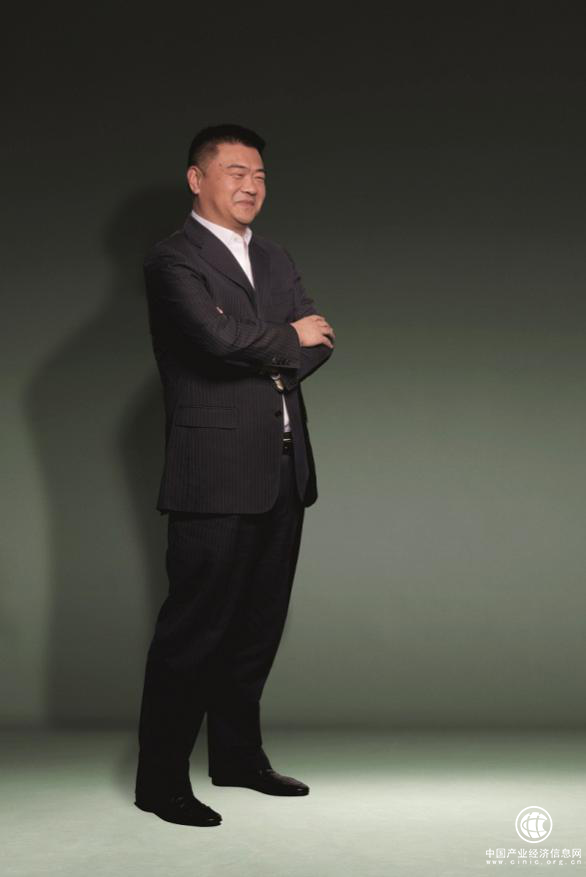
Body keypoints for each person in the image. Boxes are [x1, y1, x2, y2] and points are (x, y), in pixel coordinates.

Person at [134, 124, 335, 827]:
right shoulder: (173, 259)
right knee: (194, 630)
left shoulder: (275, 257)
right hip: (213, 473)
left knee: (257, 627)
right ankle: (160, 782)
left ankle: (238, 758)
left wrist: (271, 348)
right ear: (197, 179)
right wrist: (285, 340)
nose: (251, 185)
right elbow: (213, 338)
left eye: (260, 175)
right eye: (235, 172)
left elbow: (320, 338)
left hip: (284, 467)